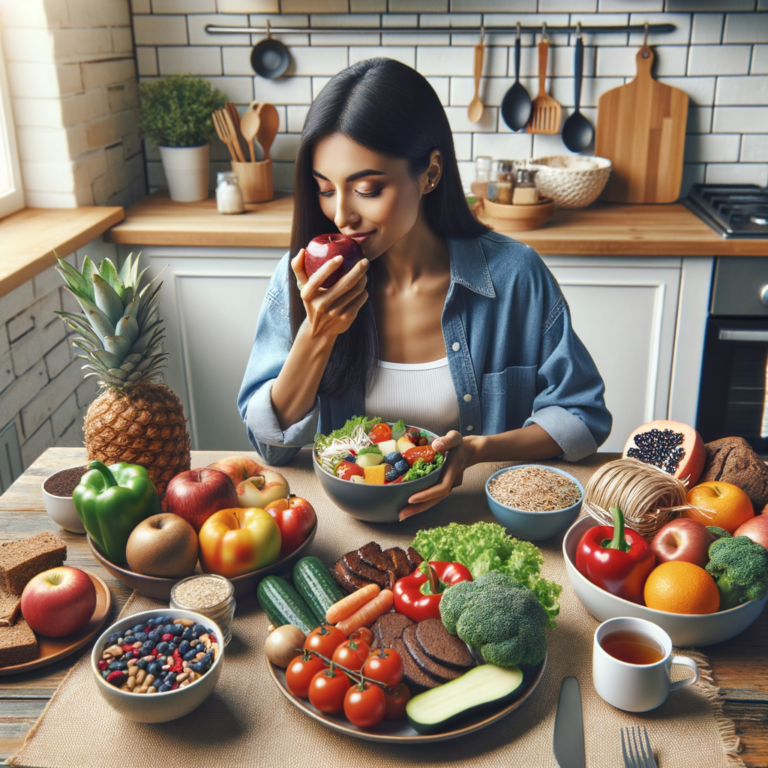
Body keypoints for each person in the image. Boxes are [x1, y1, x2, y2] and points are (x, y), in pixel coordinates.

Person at [238, 58, 611, 519]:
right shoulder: (302, 277)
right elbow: (271, 446)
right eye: (325, 189)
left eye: (367, 188)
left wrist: (477, 449)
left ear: (430, 174)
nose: (341, 216)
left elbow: (580, 417)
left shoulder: (515, 275)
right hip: (349, 529)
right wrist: (318, 332)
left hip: (481, 524)